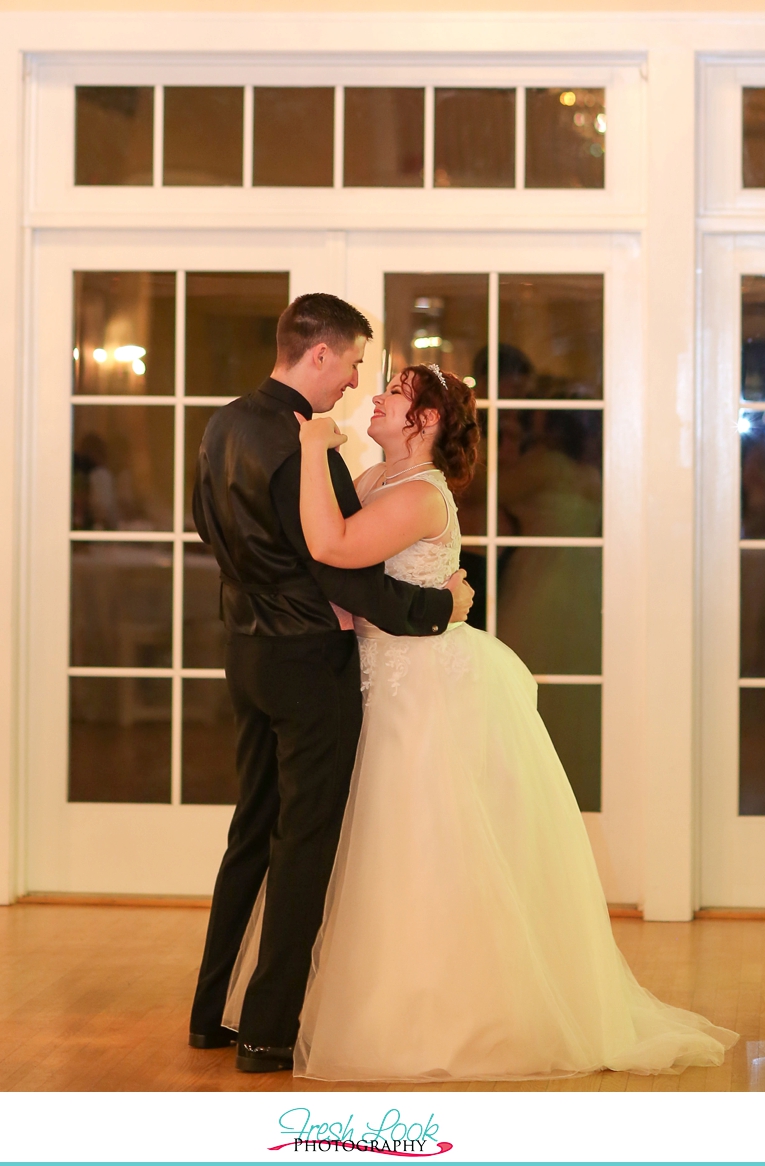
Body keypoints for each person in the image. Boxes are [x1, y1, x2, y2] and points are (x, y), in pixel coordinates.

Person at [227, 363, 739, 1081]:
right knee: (360, 846)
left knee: (419, 845)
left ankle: (440, 1014)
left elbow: (335, 548)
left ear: (426, 421)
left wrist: (315, 449)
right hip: (374, 675)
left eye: (395, 393)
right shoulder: (376, 481)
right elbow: (335, 560)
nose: (376, 396)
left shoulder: (420, 495)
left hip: (422, 689)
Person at [188, 296, 474, 1074]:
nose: (356, 383)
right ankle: (269, 1033)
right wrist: (437, 607)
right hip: (307, 663)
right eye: (352, 364)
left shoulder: (223, 425)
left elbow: (208, 531)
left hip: (245, 652)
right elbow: (333, 564)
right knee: (304, 844)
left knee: (251, 832)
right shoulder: (295, 444)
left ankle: (210, 1010)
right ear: (319, 356)